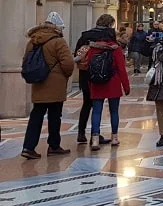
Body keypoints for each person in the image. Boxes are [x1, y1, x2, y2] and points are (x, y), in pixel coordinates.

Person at [21, 12, 76, 160]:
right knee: (54, 116)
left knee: (36, 115)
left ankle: (28, 147)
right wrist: (64, 75)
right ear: (58, 27)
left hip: (39, 83)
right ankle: (54, 145)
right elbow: (68, 63)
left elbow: (26, 60)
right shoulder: (58, 41)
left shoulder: (33, 40)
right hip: (55, 85)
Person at [74, 14, 119, 146]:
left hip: (86, 73)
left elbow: (77, 52)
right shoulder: (108, 35)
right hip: (103, 74)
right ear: (110, 24)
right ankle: (96, 135)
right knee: (99, 106)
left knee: (87, 103)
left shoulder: (86, 35)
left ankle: (81, 133)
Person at [86, 22, 131, 150]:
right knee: (114, 111)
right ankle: (115, 137)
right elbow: (122, 69)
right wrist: (126, 87)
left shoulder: (93, 48)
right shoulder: (116, 49)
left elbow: (89, 67)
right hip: (113, 82)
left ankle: (95, 139)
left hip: (97, 82)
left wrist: (89, 83)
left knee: (96, 112)